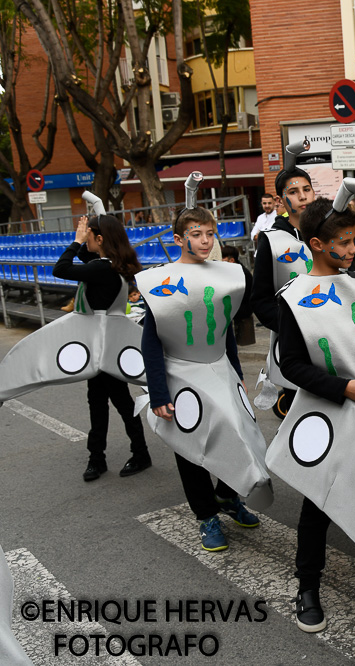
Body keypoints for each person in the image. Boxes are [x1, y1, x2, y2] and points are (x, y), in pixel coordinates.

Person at [266, 196, 355, 633]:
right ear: (315, 243)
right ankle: (307, 586)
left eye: (354, 241)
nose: (351, 251)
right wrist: (340, 387)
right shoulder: (292, 298)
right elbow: (289, 364)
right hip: (330, 409)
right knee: (320, 500)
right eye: (343, 243)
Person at [137, 205, 269, 552]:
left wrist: (237, 374)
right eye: (196, 234)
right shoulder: (160, 281)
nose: (206, 241)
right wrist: (158, 392)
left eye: (210, 234)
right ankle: (206, 516)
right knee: (192, 448)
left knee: (240, 432)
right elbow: (151, 339)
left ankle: (227, 496)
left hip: (218, 368)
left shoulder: (224, 274)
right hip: (179, 373)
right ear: (179, 239)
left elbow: (222, 326)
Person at [0, 214, 150, 481]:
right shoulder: (107, 266)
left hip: (103, 350)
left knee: (114, 404)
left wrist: (75, 240)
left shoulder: (102, 269)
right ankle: (105, 457)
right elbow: (84, 256)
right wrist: (87, 236)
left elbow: (60, 269)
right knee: (104, 403)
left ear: (100, 239)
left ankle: (128, 455)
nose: (86, 240)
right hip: (103, 350)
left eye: (91, 235)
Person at [252, 167, 315, 398]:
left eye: (307, 189)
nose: (302, 196)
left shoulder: (329, 232)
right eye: (294, 191)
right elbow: (260, 299)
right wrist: (290, 327)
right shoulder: (272, 241)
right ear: (280, 200)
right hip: (292, 347)